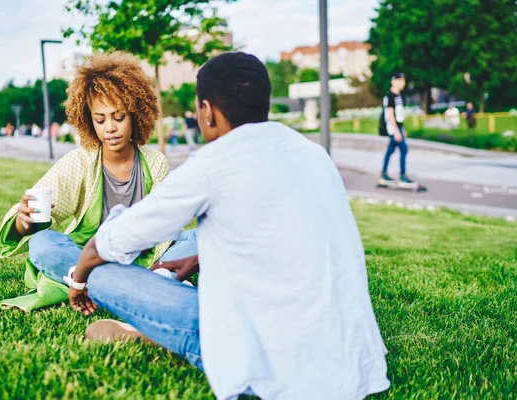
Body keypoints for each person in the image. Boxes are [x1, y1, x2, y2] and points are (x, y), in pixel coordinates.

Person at [67, 52, 390, 399]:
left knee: (103, 272)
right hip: (350, 360)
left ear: (207, 111)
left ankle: (156, 333)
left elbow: (118, 237)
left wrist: (80, 277)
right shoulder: (313, 154)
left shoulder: (213, 163)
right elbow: (283, 236)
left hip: (268, 369)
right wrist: (200, 258)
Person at [0, 52, 198, 311]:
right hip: (86, 260)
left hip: (141, 259)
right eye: (100, 119)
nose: (110, 128)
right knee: (42, 244)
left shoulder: (156, 163)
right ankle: (142, 286)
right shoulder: (79, 162)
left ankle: (106, 286)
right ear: (88, 120)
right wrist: (24, 223)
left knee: (197, 237)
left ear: (136, 114)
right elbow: (38, 212)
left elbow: (162, 228)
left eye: (118, 117)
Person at [379, 72, 415, 187]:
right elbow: (390, 115)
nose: (403, 83)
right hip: (393, 128)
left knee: (390, 151)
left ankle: (384, 174)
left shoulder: (398, 96)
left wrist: (402, 128)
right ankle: (402, 176)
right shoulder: (390, 96)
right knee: (404, 149)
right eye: (401, 80)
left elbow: (399, 114)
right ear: (394, 81)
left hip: (398, 127)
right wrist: (396, 131)